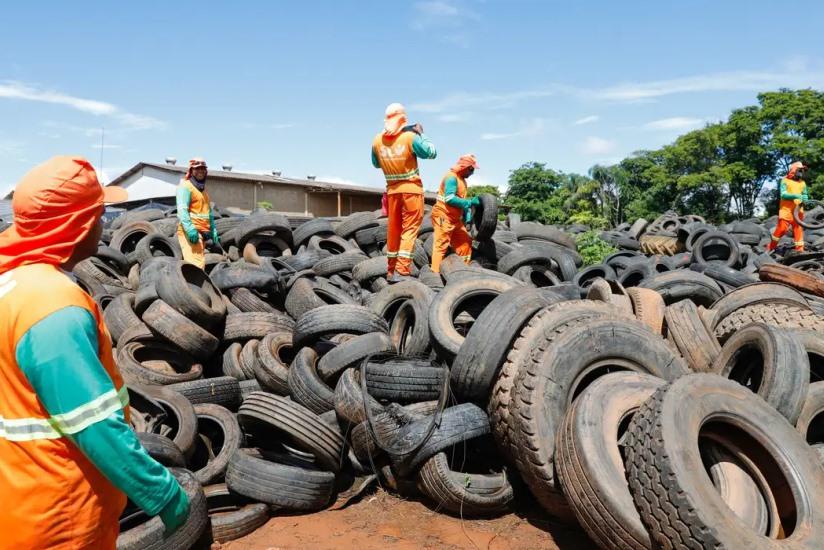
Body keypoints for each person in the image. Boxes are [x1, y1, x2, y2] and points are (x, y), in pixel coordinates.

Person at [0, 156, 189, 549]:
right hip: (63, 514)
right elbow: (92, 424)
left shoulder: (15, 284)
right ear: (79, 225)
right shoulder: (53, 307)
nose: (104, 225)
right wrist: (163, 494)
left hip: (21, 495)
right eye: (99, 215)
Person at [372, 103, 437, 282]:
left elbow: (376, 163)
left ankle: (391, 270)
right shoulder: (410, 138)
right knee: (409, 230)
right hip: (411, 191)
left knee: (393, 230)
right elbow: (432, 152)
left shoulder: (377, 140)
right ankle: (402, 269)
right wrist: (421, 134)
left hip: (392, 192)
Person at [430, 154, 480, 273]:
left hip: (455, 219)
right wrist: (469, 202)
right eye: (472, 169)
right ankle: (434, 276)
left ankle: (462, 271)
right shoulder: (451, 178)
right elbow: (450, 199)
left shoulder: (462, 181)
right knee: (441, 245)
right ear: (465, 167)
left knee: (465, 241)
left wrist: (468, 216)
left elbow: (461, 202)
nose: (472, 173)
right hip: (443, 215)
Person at [177, 157, 219, 269]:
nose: (201, 171)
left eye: (203, 168)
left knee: (197, 264)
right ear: (191, 171)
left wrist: (213, 228)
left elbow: (208, 212)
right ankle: (192, 287)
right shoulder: (186, 187)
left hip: (202, 232)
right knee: (197, 266)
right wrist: (190, 229)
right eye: (197, 168)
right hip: (191, 232)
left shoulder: (203, 191)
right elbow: (182, 210)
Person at [768, 161, 809, 253]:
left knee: (798, 230)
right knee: (782, 229)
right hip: (786, 210)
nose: (801, 172)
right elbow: (783, 194)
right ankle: (771, 247)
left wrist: (805, 198)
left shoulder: (802, 183)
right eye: (800, 170)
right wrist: (795, 196)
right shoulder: (785, 180)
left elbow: (805, 194)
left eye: (802, 171)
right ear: (794, 170)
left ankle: (800, 250)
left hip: (798, 211)